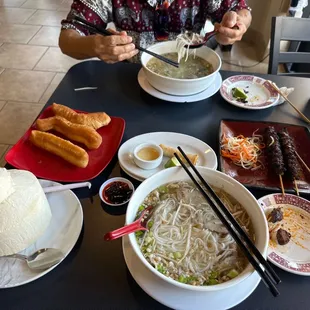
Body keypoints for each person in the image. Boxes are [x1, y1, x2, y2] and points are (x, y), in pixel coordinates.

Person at [59, 0, 252, 64]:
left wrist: (237, 23)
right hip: (131, 78)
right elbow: (68, 37)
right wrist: (95, 46)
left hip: (191, 77)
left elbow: (241, 9)